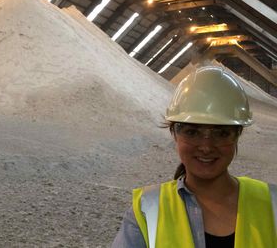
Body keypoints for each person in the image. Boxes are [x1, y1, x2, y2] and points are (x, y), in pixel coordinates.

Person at [112, 66, 276, 248]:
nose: (206, 146)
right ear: (174, 133)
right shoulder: (147, 211)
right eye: (192, 132)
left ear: (238, 135)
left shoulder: (272, 204)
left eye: (221, 133)